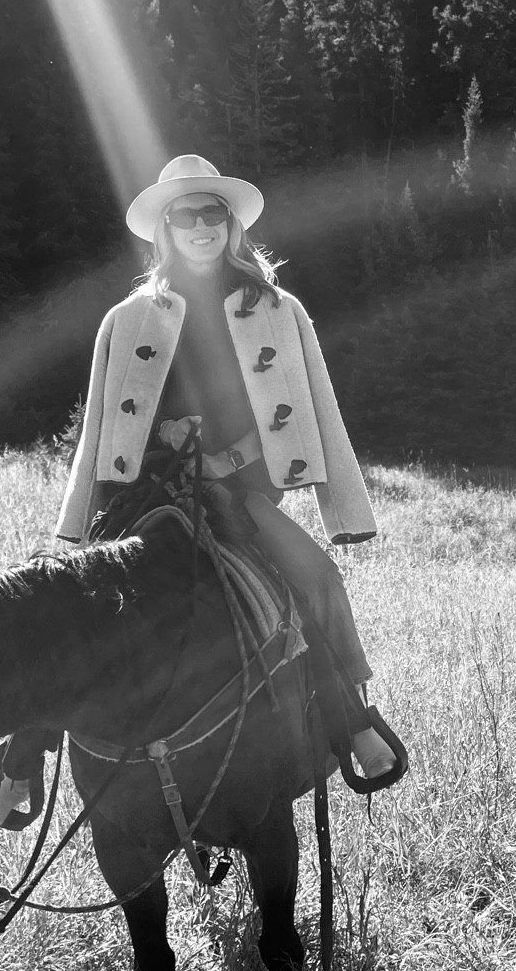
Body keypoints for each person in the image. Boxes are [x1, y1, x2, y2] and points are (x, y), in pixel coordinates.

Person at [56, 153, 400, 786]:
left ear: (229, 223)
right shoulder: (128, 318)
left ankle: (353, 722)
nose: (201, 225)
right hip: (149, 489)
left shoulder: (275, 308)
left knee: (316, 579)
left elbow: (303, 412)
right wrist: (154, 447)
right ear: (167, 227)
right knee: (66, 605)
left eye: (212, 212)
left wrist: (230, 458)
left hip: (238, 490)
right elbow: (104, 427)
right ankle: (22, 764)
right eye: (186, 214)